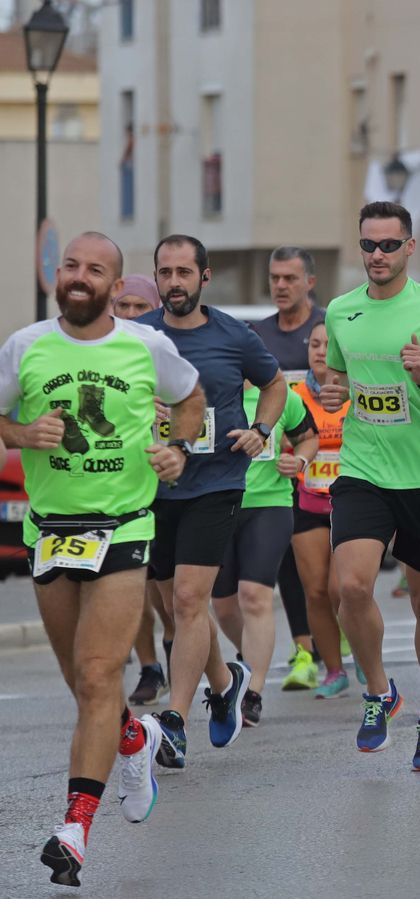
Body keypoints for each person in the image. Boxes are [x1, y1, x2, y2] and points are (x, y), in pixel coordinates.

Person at [0, 231, 203, 886]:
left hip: (122, 524)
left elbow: (190, 402)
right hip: (50, 528)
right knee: (82, 684)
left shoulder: (146, 345)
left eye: (96, 268)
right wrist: (23, 432)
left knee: (96, 673)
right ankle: (134, 738)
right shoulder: (25, 346)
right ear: (56, 277)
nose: (80, 275)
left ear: (117, 286)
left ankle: (75, 827)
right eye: (70, 266)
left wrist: (177, 447)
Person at [320, 201, 420, 768]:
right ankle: (379, 693)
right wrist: (334, 393)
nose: (377, 255)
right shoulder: (340, 310)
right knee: (349, 587)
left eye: (388, 245)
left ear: (409, 247)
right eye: (368, 245)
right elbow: (336, 374)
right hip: (363, 468)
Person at [140, 234, 286, 768]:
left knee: (186, 600)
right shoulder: (138, 337)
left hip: (216, 482)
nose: (174, 282)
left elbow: (275, 387)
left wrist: (261, 431)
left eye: (184, 272)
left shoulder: (233, 335)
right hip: (151, 487)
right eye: (165, 272)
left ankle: (175, 722)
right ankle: (225, 682)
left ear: (204, 277)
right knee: (175, 612)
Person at [211, 383, 319, 725]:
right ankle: (249, 653)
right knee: (223, 606)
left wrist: (299, 460)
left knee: (254, 596)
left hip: (269, 506)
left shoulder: (281, 396)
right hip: (217, 507)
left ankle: (252, 692)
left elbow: (309, 437)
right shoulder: (207, 390)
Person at [250, 246, 327, 690]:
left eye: (290, 278)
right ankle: (305, 650)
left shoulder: (328, 327)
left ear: (309, 283)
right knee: (289, 565)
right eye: (275, 277)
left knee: (334, 577)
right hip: (281, 471)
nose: (280, 285)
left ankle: (335, 636)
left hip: (332, 465)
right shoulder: (258, 335)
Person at [113, 274, 173, 707]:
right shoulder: (106, 355)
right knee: (132, 584)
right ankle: (149, 665)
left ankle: (177, 648)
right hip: (122, 486)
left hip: (171, 486)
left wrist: (166, 411)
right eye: (124, 306)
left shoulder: (164, 351)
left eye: (140, 307)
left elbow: (198, 406)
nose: (132, 315)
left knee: (168, 591)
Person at [290, 321, 353, 698]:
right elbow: (281, 435)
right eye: (314, 343)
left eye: (327, 344)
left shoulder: (356, 391)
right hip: (307, 502)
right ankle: (334, 670)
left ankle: (360, 643)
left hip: (350, 503)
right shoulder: (294, 394)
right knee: (314, 592)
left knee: (340, 589)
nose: (319, 350)